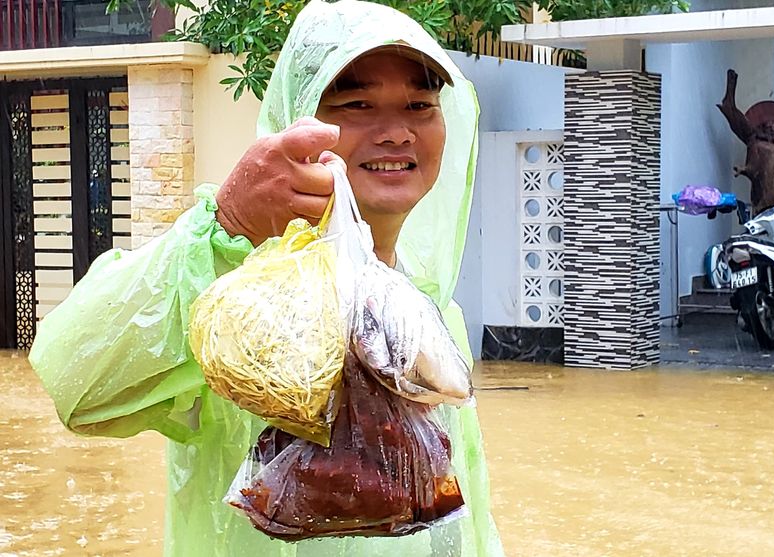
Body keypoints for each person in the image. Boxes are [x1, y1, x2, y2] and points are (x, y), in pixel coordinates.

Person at [28, 1, 504, 556]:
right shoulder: (241, 298)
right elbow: (78, 388)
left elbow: (463, 512)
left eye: (420, 105)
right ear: (300, 119)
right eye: (357, 104)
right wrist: (228, 228)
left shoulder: (429, 311)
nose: (397, 133)